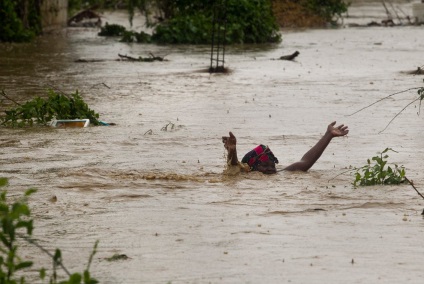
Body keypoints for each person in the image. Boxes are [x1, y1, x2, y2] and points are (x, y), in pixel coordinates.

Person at [222, 121, 349, 174]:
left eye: (272, 166)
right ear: (251, 168)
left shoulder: (282, 175)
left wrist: (328, 135)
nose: (270, 170)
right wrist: (232, 152)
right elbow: (234, 168)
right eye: (265, 166)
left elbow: (305, 162)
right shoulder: (247, 175)